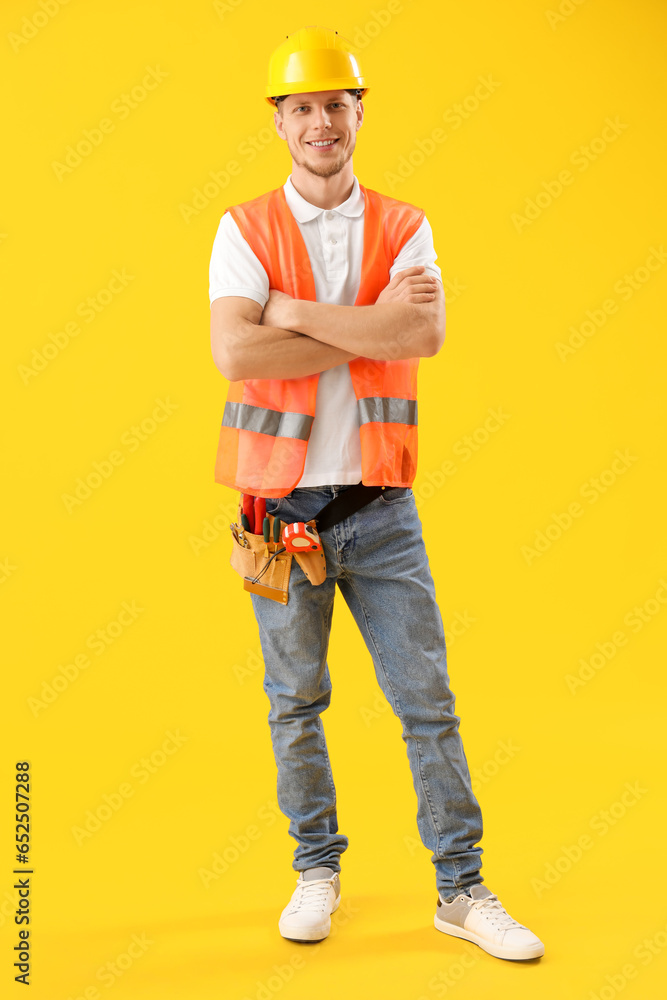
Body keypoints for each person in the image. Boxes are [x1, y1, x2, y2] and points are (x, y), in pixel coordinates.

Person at [209, 26, 544, 962]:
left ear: (360, 111)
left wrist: (298, 315)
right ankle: (315, 870)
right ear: (279, 122)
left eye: (336, 103)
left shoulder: (406, 225)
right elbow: (234, 352)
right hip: (279, 517)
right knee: (294, 703)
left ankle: (461, 889)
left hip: (380, 509)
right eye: (303, 106)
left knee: (426, 704)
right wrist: (372, 327)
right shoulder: (243, 230)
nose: (322, 120)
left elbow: (422, 340)